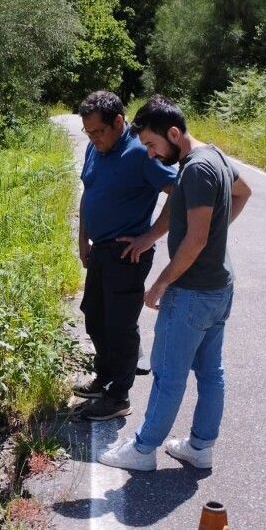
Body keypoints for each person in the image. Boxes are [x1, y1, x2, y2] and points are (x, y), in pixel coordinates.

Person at [98, 95, 252, 471]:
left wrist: (161, 283)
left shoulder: (197, 169)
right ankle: (200, 448)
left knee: (168, 373)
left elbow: (196, 239)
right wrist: (152, 237)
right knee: (210, 371)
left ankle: (143, 449)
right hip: (219, 288)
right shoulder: (208, 156)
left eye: (151, 145)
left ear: (172, 132)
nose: (150, 154)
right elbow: (242, 192)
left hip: (192, 292)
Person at [74, 90, 177, 420]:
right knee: (94, 316)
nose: (94, 138)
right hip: (100, 250)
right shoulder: (95, 148)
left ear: (119, 121)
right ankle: (104, 379)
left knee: (120, 325)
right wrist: (82, 239)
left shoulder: (140, 153)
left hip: (126, 253)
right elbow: (89, 192)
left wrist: (149, 237)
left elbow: (180, 192)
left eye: (99, 131)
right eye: (88, 132)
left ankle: (119, 396)